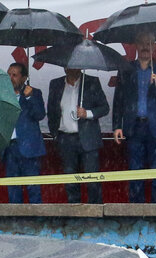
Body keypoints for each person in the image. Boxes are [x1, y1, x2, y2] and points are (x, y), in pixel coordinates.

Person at [112, 31, 156, 203]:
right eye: (142, 43)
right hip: (134, 127)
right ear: (136, 46)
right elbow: (119, 100)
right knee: (135, 173)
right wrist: (117, 125)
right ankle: (136, 212)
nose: (145, 47)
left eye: (149, 43)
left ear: (154, 47)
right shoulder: (126, 69)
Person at [47, 67, 109, 204]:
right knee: (71, 181)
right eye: (67, 65)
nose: (69, 68)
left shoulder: (92, 82)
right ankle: (75, 215)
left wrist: (87, 113)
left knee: (92, 180)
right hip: (66, 139)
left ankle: (96, 214)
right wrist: (54, 133)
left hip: (88, 138)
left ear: (80, 66)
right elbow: (51, 110)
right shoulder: (56, 84)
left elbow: (105, 108)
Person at [0, 62, 45, 204]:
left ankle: (37, 221)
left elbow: (40, 115)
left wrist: (30, 98)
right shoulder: (1, 95)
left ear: (24, 78)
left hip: (28, 148)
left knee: (33, 188)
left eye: (14, 75)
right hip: (9, 148)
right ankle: (16, 221)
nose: (10, 77)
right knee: (13, 189)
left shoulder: (34, 93)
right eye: (8, 74)